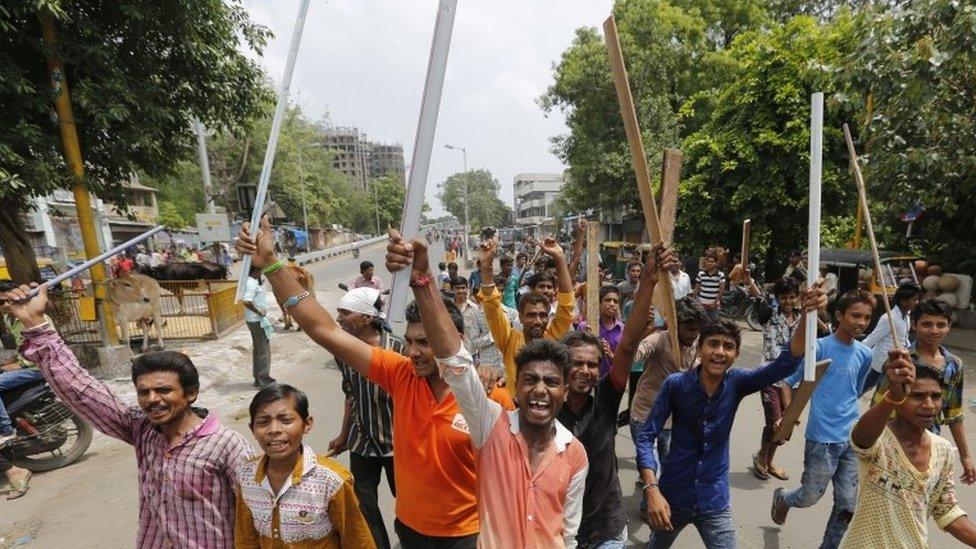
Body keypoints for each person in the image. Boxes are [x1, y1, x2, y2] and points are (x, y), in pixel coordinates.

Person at [237, 218, 480, 547]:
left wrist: (423, 280)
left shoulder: (485, 397)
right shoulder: (400, 373)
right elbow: (325, 330)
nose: (414, 352)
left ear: (457, 338)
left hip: (467, 535)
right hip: (409, 532)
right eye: (409, 342)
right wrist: (271, 264)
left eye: (425, 342)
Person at [8, 283, 252, 547]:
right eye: (144, 392)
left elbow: (260, 515)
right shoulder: (142, 428)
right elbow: (81, 390)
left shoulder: (227, 446)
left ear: (191, 393)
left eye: (164, 390)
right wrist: (35, 323)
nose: (152, 400)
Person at [384, 232, 588, 548]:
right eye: (530, 379)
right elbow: (457, 362)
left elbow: (568, 533)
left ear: (566, 389)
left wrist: (562, 259)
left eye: (551, 382)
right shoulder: (492, 430)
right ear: (516, 386)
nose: (540, 390)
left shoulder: (574, 454)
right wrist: (422, 282)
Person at [637, 279, 821, 548]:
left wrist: (806, 316)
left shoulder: (737, 383)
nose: (719, 352)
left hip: (714, 501)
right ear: (700, 348)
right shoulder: (676, 385)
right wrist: (652, 489)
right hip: (673, 496)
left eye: (728, 346)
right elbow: (645, 437)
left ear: (735, 354)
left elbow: (783, 365)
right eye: (713, 344)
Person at [561, 243, 678, 548]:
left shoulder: (606, 398)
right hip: (559, 529)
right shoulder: (546, 409)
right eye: (577, 363)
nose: (585, 370)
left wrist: (649, 279)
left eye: (592, 364)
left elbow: (627, 345)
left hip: (607, 528)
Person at [772, 289, 877, 549]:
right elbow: (788, 382)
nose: (861, 323)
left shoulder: (865, 354)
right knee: (809, 497)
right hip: (822, 439)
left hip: (852, 440)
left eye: (867, 317)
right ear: (840, 315)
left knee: (846, 506)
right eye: (855, 316)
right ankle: (784, 498)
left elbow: (857, 389)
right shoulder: (819, 348)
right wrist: (789, 414)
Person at [840, 351, 976, 547]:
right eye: (917, 396)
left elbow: (946, 510)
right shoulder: (879, 438)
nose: (929, 405)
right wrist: (893, 396)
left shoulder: (943, 450)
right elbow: (861, 438)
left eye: (936, 396)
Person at [235, 384, 375, 548]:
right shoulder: (246, 476)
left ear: (307, 424)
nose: (274, 430)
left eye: (286, 420)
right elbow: (245, 540)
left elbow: (358, 541)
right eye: (263, 422)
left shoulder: (332, 481)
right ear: (252, 429)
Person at [326, 287, 402, 549]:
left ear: (368, 318)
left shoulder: (400, 349)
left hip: (398, 444)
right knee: (364, 505)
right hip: (362, 441)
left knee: (405, 505)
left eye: (345, 313)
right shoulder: (343, 352)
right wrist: (344, 435)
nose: (340, 319)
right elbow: (351, 395)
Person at [869, 297, 975, 484]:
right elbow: (878, 406)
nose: (934, 330)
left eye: (940, 325)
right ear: (914, 326)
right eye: (927, 324)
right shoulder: (899, 362)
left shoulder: (954, 365)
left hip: (931, 444)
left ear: (949, 326)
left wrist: (965, 457)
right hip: (894, 444)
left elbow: (954, 414)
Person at [479, 234, 576, 396]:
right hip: (514, 414)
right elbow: (492, 307)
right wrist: (486, 266)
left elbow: (566, 306)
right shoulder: (509, 340)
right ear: (521, 317)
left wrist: (559, 258)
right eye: (531, 315)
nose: (538, 321)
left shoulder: (553, 339)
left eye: (542, 315)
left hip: (546, 412)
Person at [628, 296, 708, 476]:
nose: (693, 334)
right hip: (645, 416)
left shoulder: (698, 345)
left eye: (697, 329)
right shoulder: (658, 340)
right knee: (653, 472)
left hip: (673, 421)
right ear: (675, 324)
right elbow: (633, 357)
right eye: (689, 329)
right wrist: (641, 333)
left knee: (667, 468)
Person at [752, 277, 802, 482]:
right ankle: (762, 458)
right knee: (775, 423)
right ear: (777, 298)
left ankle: (767, 459)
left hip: (794, 381)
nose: (788, 302)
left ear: (798, 297)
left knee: (787, 426)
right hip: (770, 378)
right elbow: (757, 298)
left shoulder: (804, 318)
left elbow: (824, 331)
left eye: (792, 297)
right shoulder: (769, 316)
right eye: (783, 298)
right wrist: (749, 280)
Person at [862, 282, 920, 374]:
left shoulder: (907, 317)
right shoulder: (889, 318)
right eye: (914, 300)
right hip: (880, 363)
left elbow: (904, 340)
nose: (917, 302)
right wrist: (854, 354)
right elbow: (872, 339)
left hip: (897, 362)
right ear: (903, 301)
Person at [451, 277, 502, 369]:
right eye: (457, 288)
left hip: (471, 353)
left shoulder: (475, 309)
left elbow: (481, 333)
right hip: (452, 352)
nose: (460, 291)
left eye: (463, 288)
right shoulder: (447, 308)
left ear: (467, 288)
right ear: (452, 289)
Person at [576, 285, 624, 378]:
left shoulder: (623, 329)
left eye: (615, 301)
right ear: (599, 303)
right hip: (587, 377)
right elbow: (574, 354)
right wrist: (586, 340)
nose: (612, 304)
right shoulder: (585, 327)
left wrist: (611, 355)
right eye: (608, 300)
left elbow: (626, 362)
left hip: (613, 381)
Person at [243, 264, 275, 388]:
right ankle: (263, 379)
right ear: (255, 270)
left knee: (259, 349)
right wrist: (259, 311)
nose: (261, 273)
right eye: (260, 271)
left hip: (256, 320)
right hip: (257, 320)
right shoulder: (251, 283)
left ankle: (259, 377)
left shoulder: (254, 281)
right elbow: (247, 301)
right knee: (263, 350)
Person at [693, 251, 725, 321]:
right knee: (702, 324)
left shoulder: (720, 275)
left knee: (714, 325)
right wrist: (694, 300)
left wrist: (715, 302)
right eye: (708, 261)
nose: (710, 263)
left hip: (714, 305)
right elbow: (696, 288)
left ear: (716, 263)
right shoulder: (701, 274)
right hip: (702, 304)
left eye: (712, 262)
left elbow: (721, 290)